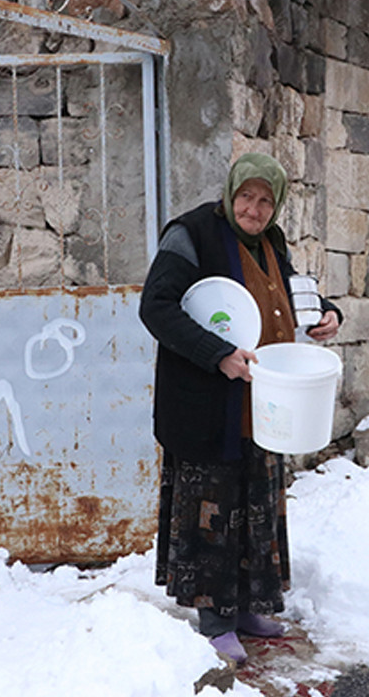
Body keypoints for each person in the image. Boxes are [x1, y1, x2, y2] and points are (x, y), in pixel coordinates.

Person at [138, 153, 342, 664]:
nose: (254, 208)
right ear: (230, 194)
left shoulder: (271, 242)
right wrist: (218, 355)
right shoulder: (191, 235)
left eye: (266, 200)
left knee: (255, 506)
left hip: (264, 403)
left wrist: (325, 313)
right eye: (247, 197)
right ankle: (215, 620)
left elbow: (290, 293)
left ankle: (249, 605)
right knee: (214, 508)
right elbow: (156, 306)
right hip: (208, 405)